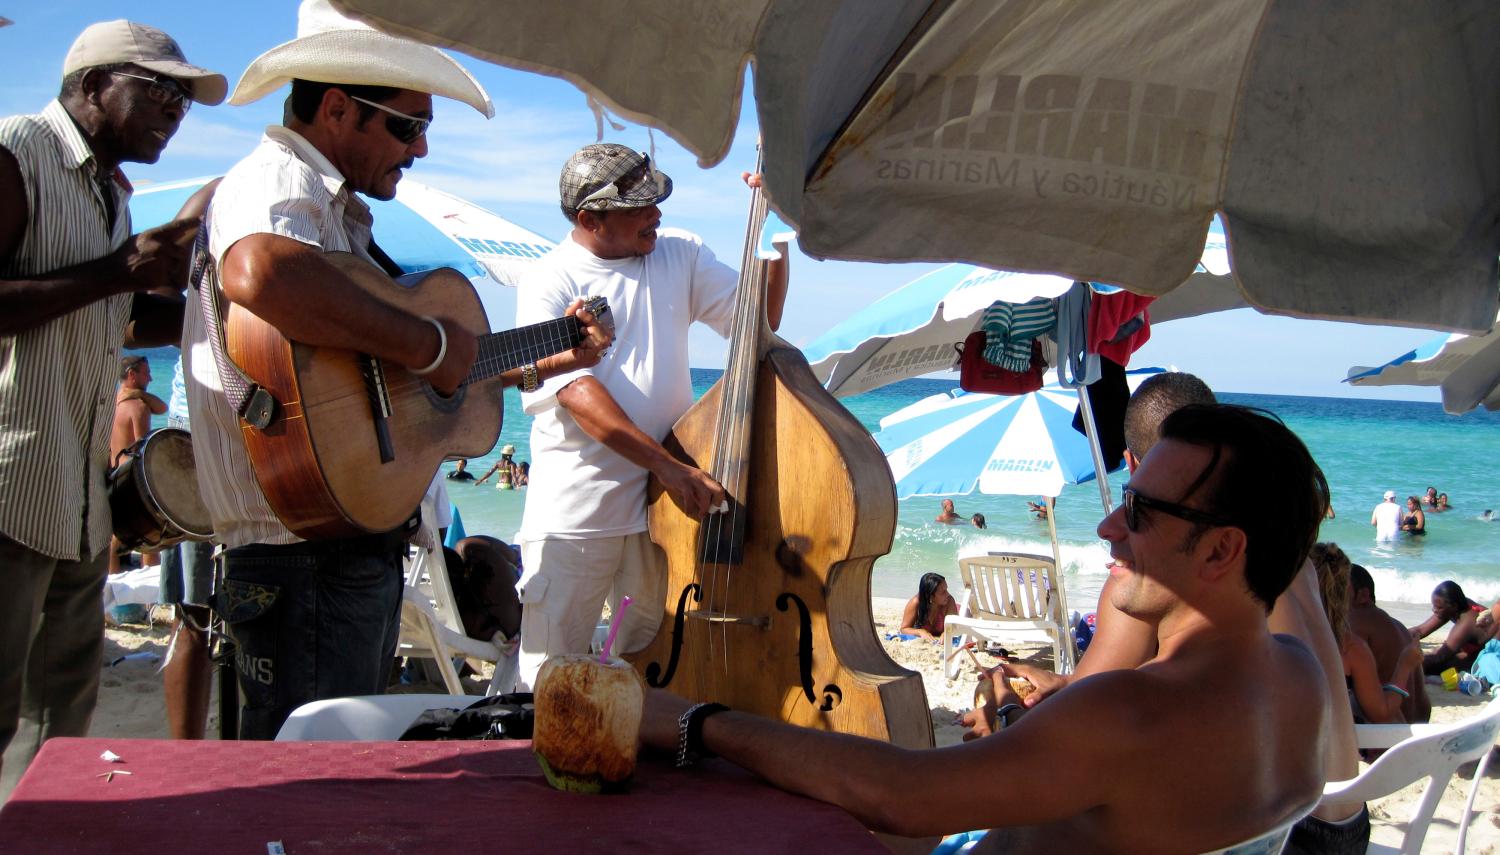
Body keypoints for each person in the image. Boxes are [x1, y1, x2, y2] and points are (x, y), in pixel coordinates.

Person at [181, 1, 608, 739]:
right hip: (301, 558)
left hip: (340, 545)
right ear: (340, 109)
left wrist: (537, 359)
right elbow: (257, 272)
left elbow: (387, 388)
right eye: (409, 127)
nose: (420, 151)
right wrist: (430, 346)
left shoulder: (338, 217)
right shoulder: (278, 183)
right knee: (312, 797)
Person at [640, 404, 1331, 853]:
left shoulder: (1133, 711)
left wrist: (697, 719)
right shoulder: (1298, 675)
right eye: (1123, 499)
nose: (1108, 526)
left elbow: (900, 796)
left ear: (1220, 551)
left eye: (1142, 513)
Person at [982, 372, 1368, 852]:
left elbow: (1066, 734)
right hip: (1341, 820)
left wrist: (1005, 712)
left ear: (1134, 464)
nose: (1112, 526)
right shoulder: (1278, 557)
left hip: (1282, 835)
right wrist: (1061, 685)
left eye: (1138, 501)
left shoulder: (1155, 576)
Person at [0, 20, 224, 797]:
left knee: (60, 719)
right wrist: (115, 270)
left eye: (184, 101)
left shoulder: (111, 192)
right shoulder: (16, 153)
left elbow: (118, 319)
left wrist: (219, 307)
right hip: (9, 487)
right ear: (94, 84)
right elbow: (97, 286)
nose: (175, 110)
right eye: (160, 89)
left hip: (75, 501)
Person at [511, 142, 788, 691]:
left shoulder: (679, 252)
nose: (656, 213)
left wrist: (774, 231)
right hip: (578, 512)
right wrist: (671, 467)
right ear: (590, 219)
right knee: (550, 671)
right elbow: (576, 393)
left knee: (653, 664)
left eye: (656, 199)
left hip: (664, 513)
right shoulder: (549, 280)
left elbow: (759, 322)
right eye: (639, 206)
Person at [157, 355, 217, 740]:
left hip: (200, 428)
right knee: (194, 615)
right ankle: (185, 752)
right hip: (198, 435)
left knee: (194, 614)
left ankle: (186, 751)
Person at [1311, 543, 1416, 724]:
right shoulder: (1350, 647)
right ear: (1344, 592)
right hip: (1341, 744)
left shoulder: (1284, 633)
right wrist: (1405, 665)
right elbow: (1382, 712)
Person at [107, 354, 168, 574]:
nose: (151, 378)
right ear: (132, 375)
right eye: (146, 373)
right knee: (151, 533)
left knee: (116, 535)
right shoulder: (138, 408)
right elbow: (144, 449)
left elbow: (161, 408)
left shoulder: (111, 403)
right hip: (133, 479)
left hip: (114, 474)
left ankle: (110, 586)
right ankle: (153, 598)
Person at [1347, 563, 1430, 722]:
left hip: (1392, 729)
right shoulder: (1397, 625)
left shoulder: (1358, 621)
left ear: (1363, 595)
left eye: (1338, 590)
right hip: (1420, 722)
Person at [1408, 580, 1492, 675]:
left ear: (1454, 606)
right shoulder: (1455, 605)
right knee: (1425, 657)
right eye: (1434, 606)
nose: (1434, 610)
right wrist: (1394, 636)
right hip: (1471, 645)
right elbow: (1419, 631)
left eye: (1439, 607)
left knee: (1428, 666)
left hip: (1487, 653)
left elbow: (1439, 657)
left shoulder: (1466, 621)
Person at [897, 572, 959, 640]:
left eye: (946, 589)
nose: (948, 594)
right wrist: (920, 632)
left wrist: (946, 633)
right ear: (930, 596)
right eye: (943, 592)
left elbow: (955, 627)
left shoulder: (949, 601)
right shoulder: (916, 603)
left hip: (958, 609)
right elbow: (903, 629)